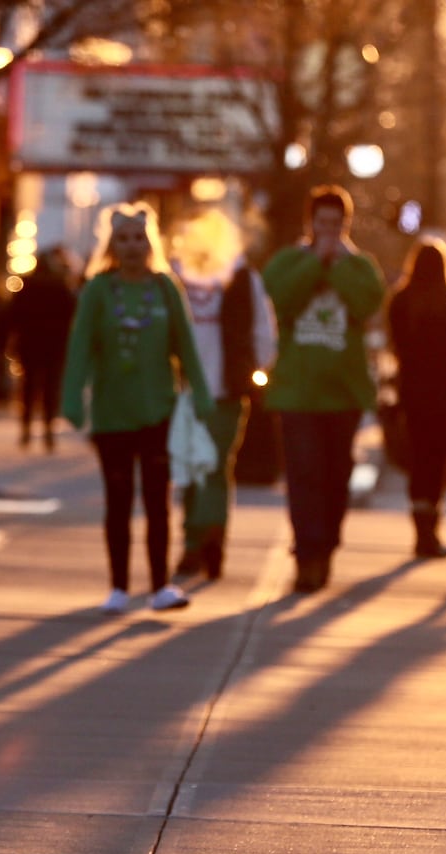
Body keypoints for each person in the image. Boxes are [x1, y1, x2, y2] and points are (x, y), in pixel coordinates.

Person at [62, 201, 214, 614]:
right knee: (118, 499)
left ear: (150, 243)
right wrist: (72, 396)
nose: (131, 247)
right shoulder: (98, 290)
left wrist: (200, 392)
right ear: (112, 244)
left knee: (157, 500)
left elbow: (186, 347)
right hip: (112, 414)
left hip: (157, 412)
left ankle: (161, 585)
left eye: (138, 239)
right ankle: (118, 586)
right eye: (123, 239)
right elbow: (80, 349)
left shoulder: (166, 288)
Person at [263, 184, 386, 593]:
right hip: (297, 394)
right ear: (310, 223)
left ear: (346, 225)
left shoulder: (360, 267)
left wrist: (337, 266)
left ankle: (327, 547)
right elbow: (280, 299)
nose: (330, 231)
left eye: (337, 224)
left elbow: (367, 305)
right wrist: (316, 263)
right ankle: (306, 555)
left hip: (343, 395)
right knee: (304, 477)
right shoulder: (288, 262)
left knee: (336, 478)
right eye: (323, 223)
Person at [170, 209, 277, 580]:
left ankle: (201, 543)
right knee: (190, 467)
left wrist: (254, 371)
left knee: (213, 465)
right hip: (184, 393)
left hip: (227, 391)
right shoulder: (177, 278)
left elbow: (263, 331)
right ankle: (200, 538)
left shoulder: (243, 279)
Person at [386, 238, 446, 558]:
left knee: (418, 460)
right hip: (444, 391)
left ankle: (419, 531)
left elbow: (395, 342)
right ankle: (432, 531)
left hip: (411, 391)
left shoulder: (401, 301)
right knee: (439, 462)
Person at [5, 246, 78, 452]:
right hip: (53, 346)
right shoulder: (60, 286)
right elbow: (71, 315)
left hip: (30, 344)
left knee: (28, 388)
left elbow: (13, 315)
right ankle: (48, 432)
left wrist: (11, 340)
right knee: (50, 389)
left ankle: (26, 430)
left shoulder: (27, 286)